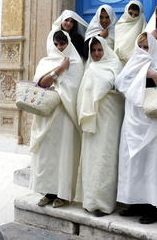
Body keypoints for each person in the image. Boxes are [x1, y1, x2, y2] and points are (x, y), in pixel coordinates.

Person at [116, 32, 157, 224]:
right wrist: (139, 71)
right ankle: (135, 202)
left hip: (154, 123)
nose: (143, 51)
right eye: (140, 47)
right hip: (134, 120)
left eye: (147, 47)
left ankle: (154, 208)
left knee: (153, 163)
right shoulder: (132, 65)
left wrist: (153, 74)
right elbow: (121, 83)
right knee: (134, 163)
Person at [29, 30, 83, 208]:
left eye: (63, 43)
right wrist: (59, 69)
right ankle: (47, 192)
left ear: (68, 43)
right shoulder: (46, 62)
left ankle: (63, 194)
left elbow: (73, 89)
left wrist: (55, 85)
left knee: (63, 154)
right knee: (47, 155)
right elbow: (41, 84)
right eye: (57, 44)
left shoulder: (76, 63)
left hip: (65, 115)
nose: (60, 47)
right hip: (48, 115)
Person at [76, 36, 124, 216]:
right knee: (91, 160)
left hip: (109, 120)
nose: (96, 54)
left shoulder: (114, 65)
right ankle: (90, 200)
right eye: (93, 50)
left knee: (105, 160)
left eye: (99, 50)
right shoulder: (89, 67)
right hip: (92, 122)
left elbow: (116, 88)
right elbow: (82, 94)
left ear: (106, 49)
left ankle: (103, 203)